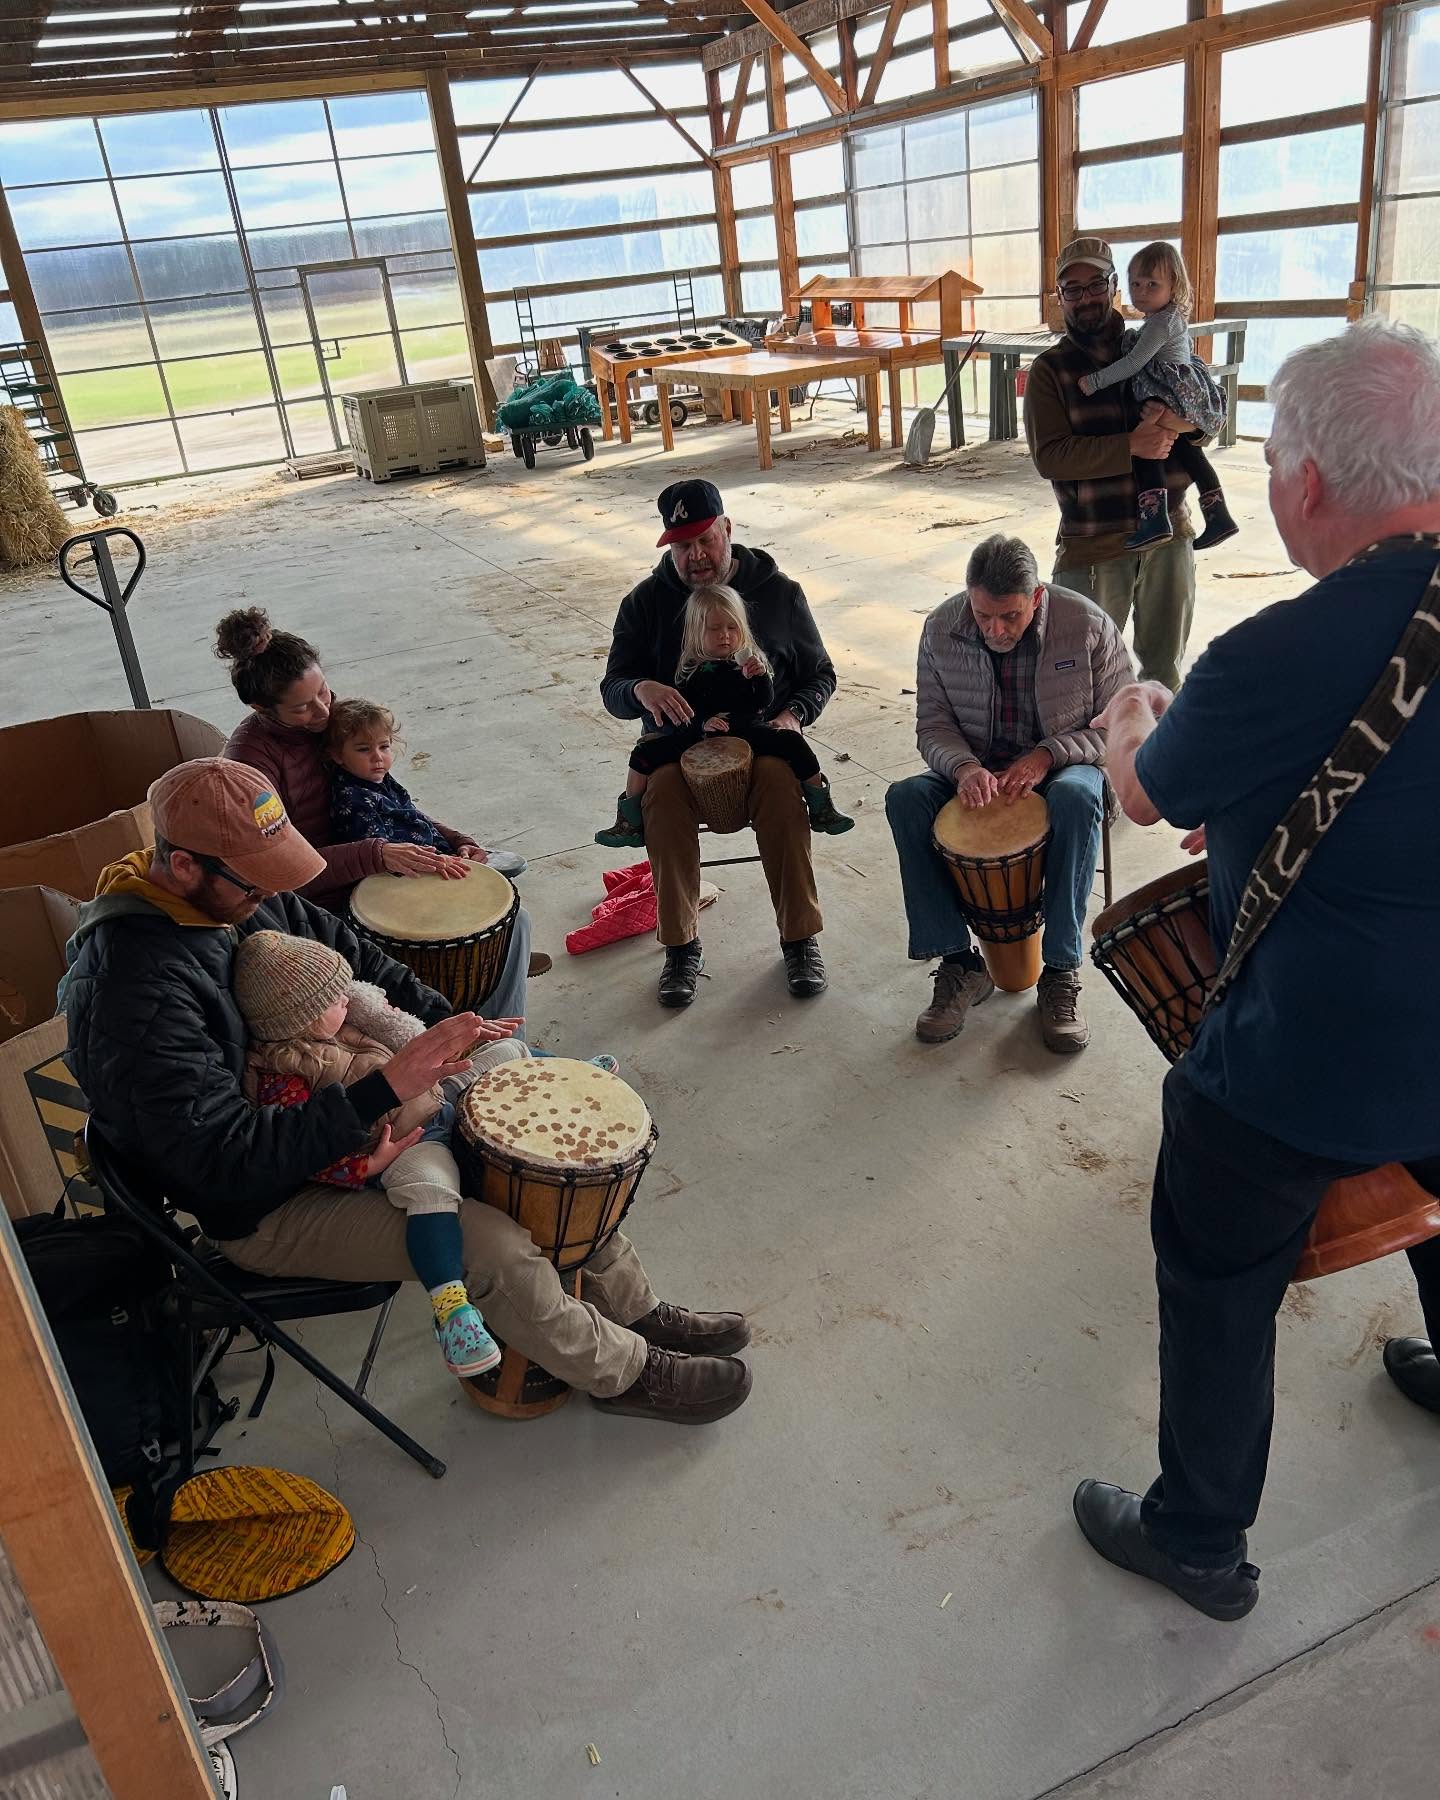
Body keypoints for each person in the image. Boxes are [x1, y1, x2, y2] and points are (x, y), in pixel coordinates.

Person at [1073, 317, 1440, 1621]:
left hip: (1304, 1062)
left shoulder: (1270, 658)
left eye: (1273, 454)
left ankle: (1199, 1538)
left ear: (1312, 484)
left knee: (1217, 1275)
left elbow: (1139, 797)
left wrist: (1132, 719)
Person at [64, 758, 754, 1426]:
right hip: (266, 1202)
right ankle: (626, 1374)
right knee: (490, 1243)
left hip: (350, 1115)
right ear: (182, 866)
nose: (271, 898)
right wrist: (385, 1089)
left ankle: (632, 1305)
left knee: (536, 1151)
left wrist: (449, 1034)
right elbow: (219, 1161)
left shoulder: (231, 899)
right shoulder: (130, 993)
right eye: (255, 885)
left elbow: (357, 959)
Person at [216, 607, 541, 1020]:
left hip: (376, 869)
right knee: (486, 933)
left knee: (513, 920)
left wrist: (458, 840)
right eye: (302, 707)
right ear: (261, 707)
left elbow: (389, 803)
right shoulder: (251, 763)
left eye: (324, 692)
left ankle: (504, 1042)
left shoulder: (330, 726)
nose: (322, 711)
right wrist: (378, 854)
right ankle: (484, 1041)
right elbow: (276, 874)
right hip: (324, 905)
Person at [234, 928, 527, 1380]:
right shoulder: (283, 1076)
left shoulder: (348, 1022)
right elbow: (305, 1149)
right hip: (403, 1141)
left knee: (510, 1050)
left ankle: (570, 1078)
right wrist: (369, 1165)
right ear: (304, 1017)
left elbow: (402, 1033)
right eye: (334, 996)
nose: (347, 998)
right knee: (431, 1193)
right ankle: (452, 1311)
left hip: (433, 1095)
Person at [885, 534, 1131, 1055]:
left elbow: (1120, 726)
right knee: (905, 797)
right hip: (978, 770)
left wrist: (1048, 754)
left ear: (1037, 597)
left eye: (1010, 617)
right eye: (983, 615)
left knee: (1077, 799)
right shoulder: (941, 628)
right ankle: (960, 963)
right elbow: (932, 726)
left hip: (1066, 768)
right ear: (968, 598)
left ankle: (1060, 973)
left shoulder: (1086, 625)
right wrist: (964, 766)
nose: (995, 630)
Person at [602, 480, 838, 1008]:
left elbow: (819, 674)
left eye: (706, 540)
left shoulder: (780, 593)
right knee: (658, 796)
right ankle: (681, 947)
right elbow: (613, 688)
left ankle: (800, 939)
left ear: (727, 529)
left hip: (761, 743)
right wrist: (641, 687)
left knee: (781, 785)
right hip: (678, 751)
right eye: (683, 547)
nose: (696, 556)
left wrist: (793, 716)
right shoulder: (643, 604)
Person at [1024, 235, 1207, 693]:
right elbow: (1050, 456)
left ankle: (1155, 761)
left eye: (1095, 284)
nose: (1085, 297)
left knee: (1163, 675)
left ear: (1114, 287)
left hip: (1169, 535)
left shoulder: (1158, 340)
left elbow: (1208, 411)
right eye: (1072, 288)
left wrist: (1181, 425)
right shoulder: (1051, 370)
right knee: (1080, 679)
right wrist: (1131, 445)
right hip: (1095, 544)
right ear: (1059, 298)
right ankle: (1091, 766)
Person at [596, 582, 853, 847]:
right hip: (699, 738)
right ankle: (628, 819)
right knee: (643, 754)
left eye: (732, 628)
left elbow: (761, 704)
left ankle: (821, 804)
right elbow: (684, 712)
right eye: (715, 629)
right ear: (697, 633)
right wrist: (702, 723)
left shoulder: (748, 665)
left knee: (793, 743)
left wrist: (761, 678)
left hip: (747, 733)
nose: (725, 636)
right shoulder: (690, 671)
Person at [1078, 242, 1236, 553]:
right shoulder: (1166, 317)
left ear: (1174, 285)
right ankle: (1219, 516)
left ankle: (1155, 520)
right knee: (1190, 455)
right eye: (1136, 283)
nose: (1142, 291)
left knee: (1145, 450)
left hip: (1168, 394)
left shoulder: (1162, 322)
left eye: (1153, 284)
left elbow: (1134, 362)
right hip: (1175, 391)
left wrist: (1095, 381)